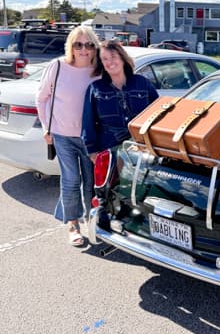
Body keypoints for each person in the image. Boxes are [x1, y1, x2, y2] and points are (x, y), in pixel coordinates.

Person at [36, 26, 101, 247]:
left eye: (89, 44)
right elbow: (42, 98)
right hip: (63, 136)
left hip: (91, 138)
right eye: (78, 44)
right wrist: (46, 127)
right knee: (71, 180)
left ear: (95, 48)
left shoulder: (99, 70)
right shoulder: (57, 66)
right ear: (70, 46)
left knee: (91, 183)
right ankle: (73, 225)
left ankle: (92, 222)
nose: (83, 49)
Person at [82, 39, 159, 161]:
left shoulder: (142, 83)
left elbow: (158, 114)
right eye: (105, 59)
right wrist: (93, 152)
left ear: (122, 58)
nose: (110, 62)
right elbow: (87, 124)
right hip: (109, 149)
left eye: (113, 56)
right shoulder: (95, 88)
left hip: (141, 149)